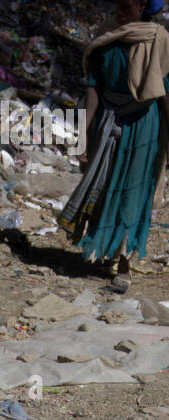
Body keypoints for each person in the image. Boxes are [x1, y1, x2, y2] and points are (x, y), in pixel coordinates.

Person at [60, 0, 169, 287]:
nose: (122, 7)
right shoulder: (106, 38)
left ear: (143, 5)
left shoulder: (157, 39)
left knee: (133, 193)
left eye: (129, 3)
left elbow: (165, 91)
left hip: (144, 125)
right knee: (105, 184)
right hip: (109, 120)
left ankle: (124, 265)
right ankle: (105, 248)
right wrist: (84, 134)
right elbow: (94, 86)